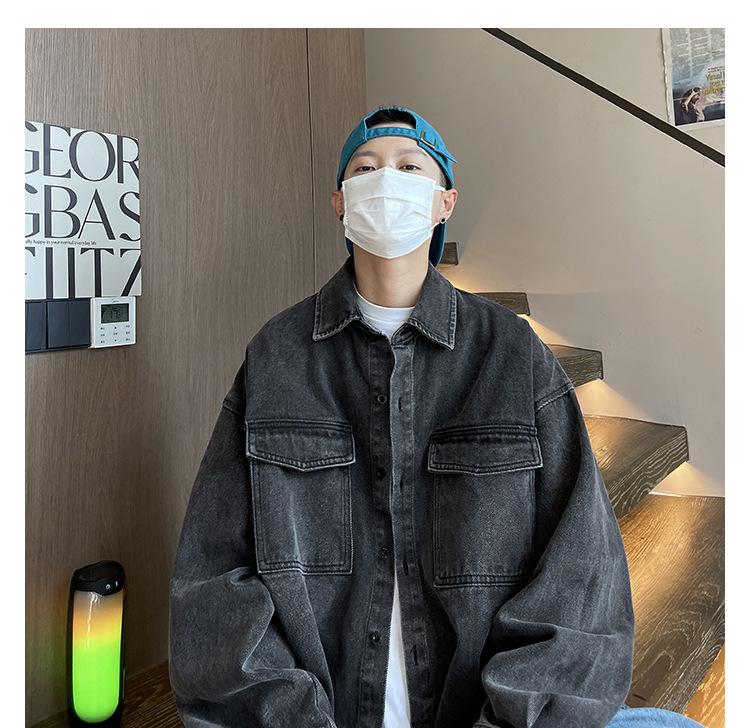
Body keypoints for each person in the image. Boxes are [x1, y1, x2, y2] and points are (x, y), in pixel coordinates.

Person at [168, 105, 705, 727]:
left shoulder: (512, 354)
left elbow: (581, 576)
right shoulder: (277, 356)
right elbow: (215, 581)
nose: (385, 179)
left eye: (408, 166)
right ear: (340, 202)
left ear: (445, 202)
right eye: (365, 168)